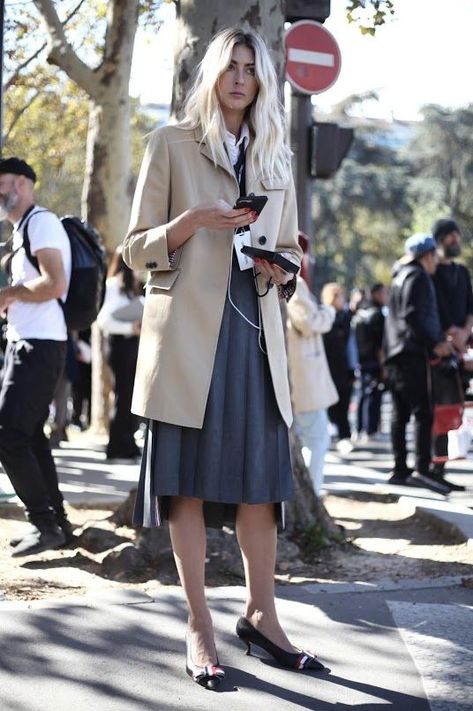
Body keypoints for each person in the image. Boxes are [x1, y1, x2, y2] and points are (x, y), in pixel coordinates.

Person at [122, 28, 325, 689]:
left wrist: (283, 265)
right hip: (186, 339)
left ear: (262, 82)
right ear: (211, 75)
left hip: (255, 336)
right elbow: (134, 249)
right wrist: (192, 223)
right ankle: (199, 625)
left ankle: (262, 617)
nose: (240, 78)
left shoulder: (273, 152)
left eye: (251, 69)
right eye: (230, 67)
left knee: (263, 488)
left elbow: (290, 260)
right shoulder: (170, 143)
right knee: (185, 482)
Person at [0, 157, 74, 555]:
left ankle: (44, 524)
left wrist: (10, 294)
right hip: (26, 342)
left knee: (8, 435)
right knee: (27, 435)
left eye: (6, 183)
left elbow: (55, 283)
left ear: (26, 184)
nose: (1, 190)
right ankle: (57, 522)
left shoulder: (41, 222)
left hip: (41, 344)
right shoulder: (22, 229)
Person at [384, 234, 453, 493]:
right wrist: (435, 342)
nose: (437, 260)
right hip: (411, 354)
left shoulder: (399, 275)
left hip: (395, 353)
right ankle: (422, 469)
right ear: (427, 255)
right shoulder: (418, 276)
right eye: (435, 255)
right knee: (423, 413)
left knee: (399, 415)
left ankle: (400, 469)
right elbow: (414, 316)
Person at [287, 234, 338, 495]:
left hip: (299, 376)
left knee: (312, 440)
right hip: (303, 378)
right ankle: (312, 494)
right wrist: (329, 310)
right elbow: (310, 323)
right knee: (317, 440)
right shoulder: (292, 281)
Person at [431, 218, 473, 491]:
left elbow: (470, 306)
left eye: (457, 236)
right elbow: (431, 308)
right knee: (438, 411)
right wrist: (450, 334)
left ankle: (442, 468)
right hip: (441, 349)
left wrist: (464, 332)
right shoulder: (430, 273)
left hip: (460, 348)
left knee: (455, 412)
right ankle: (433, 469)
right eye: (451, 236)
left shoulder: (462, 272)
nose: (456, 240)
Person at [97, 247, 142, 461]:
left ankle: (128, 443)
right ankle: (116, 446)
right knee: (123, 396)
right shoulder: (114, 285)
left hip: (132, 346)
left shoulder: (133, 285)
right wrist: (130, 328)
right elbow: (104, 320)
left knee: (131, 396)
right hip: (119, 346)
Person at [321, 282, 354, 455]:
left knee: (343, 402)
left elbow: (349, 346)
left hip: (341, 366)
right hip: (326, 366)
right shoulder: (324, 316)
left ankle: (343, 435)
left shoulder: (345, 317)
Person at [353, 283, 387, 440]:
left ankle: (359, 428)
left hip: (360, 359)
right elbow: (380, 342)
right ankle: (370, 430)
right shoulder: (378, 314)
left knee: (363, 395)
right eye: (383, 293)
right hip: (373, 360)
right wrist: (383, 364)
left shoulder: (360, 311)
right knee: (373, 395)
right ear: (376, 294)